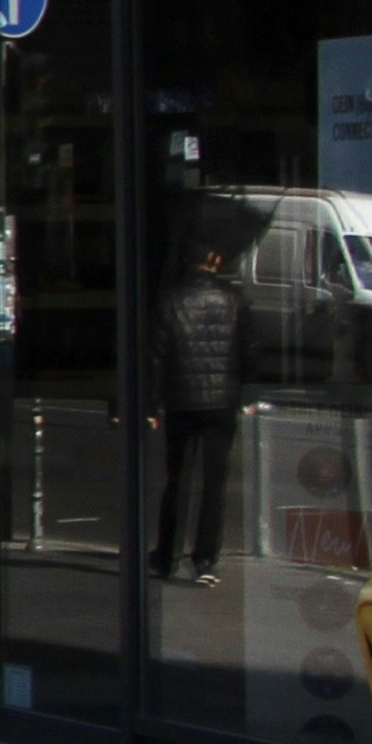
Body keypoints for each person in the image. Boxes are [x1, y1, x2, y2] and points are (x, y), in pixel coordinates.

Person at [152, 236, 244, 585]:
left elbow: (157, 357)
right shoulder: (233, 300)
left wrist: (151, 402)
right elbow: (250, 350)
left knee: (177, 480)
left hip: (182, 402)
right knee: (214, 483)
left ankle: (166, 556)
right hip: (221, 401)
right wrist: (240, 389)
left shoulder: (171, 301)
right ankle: (205, 558)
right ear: (215, 260)